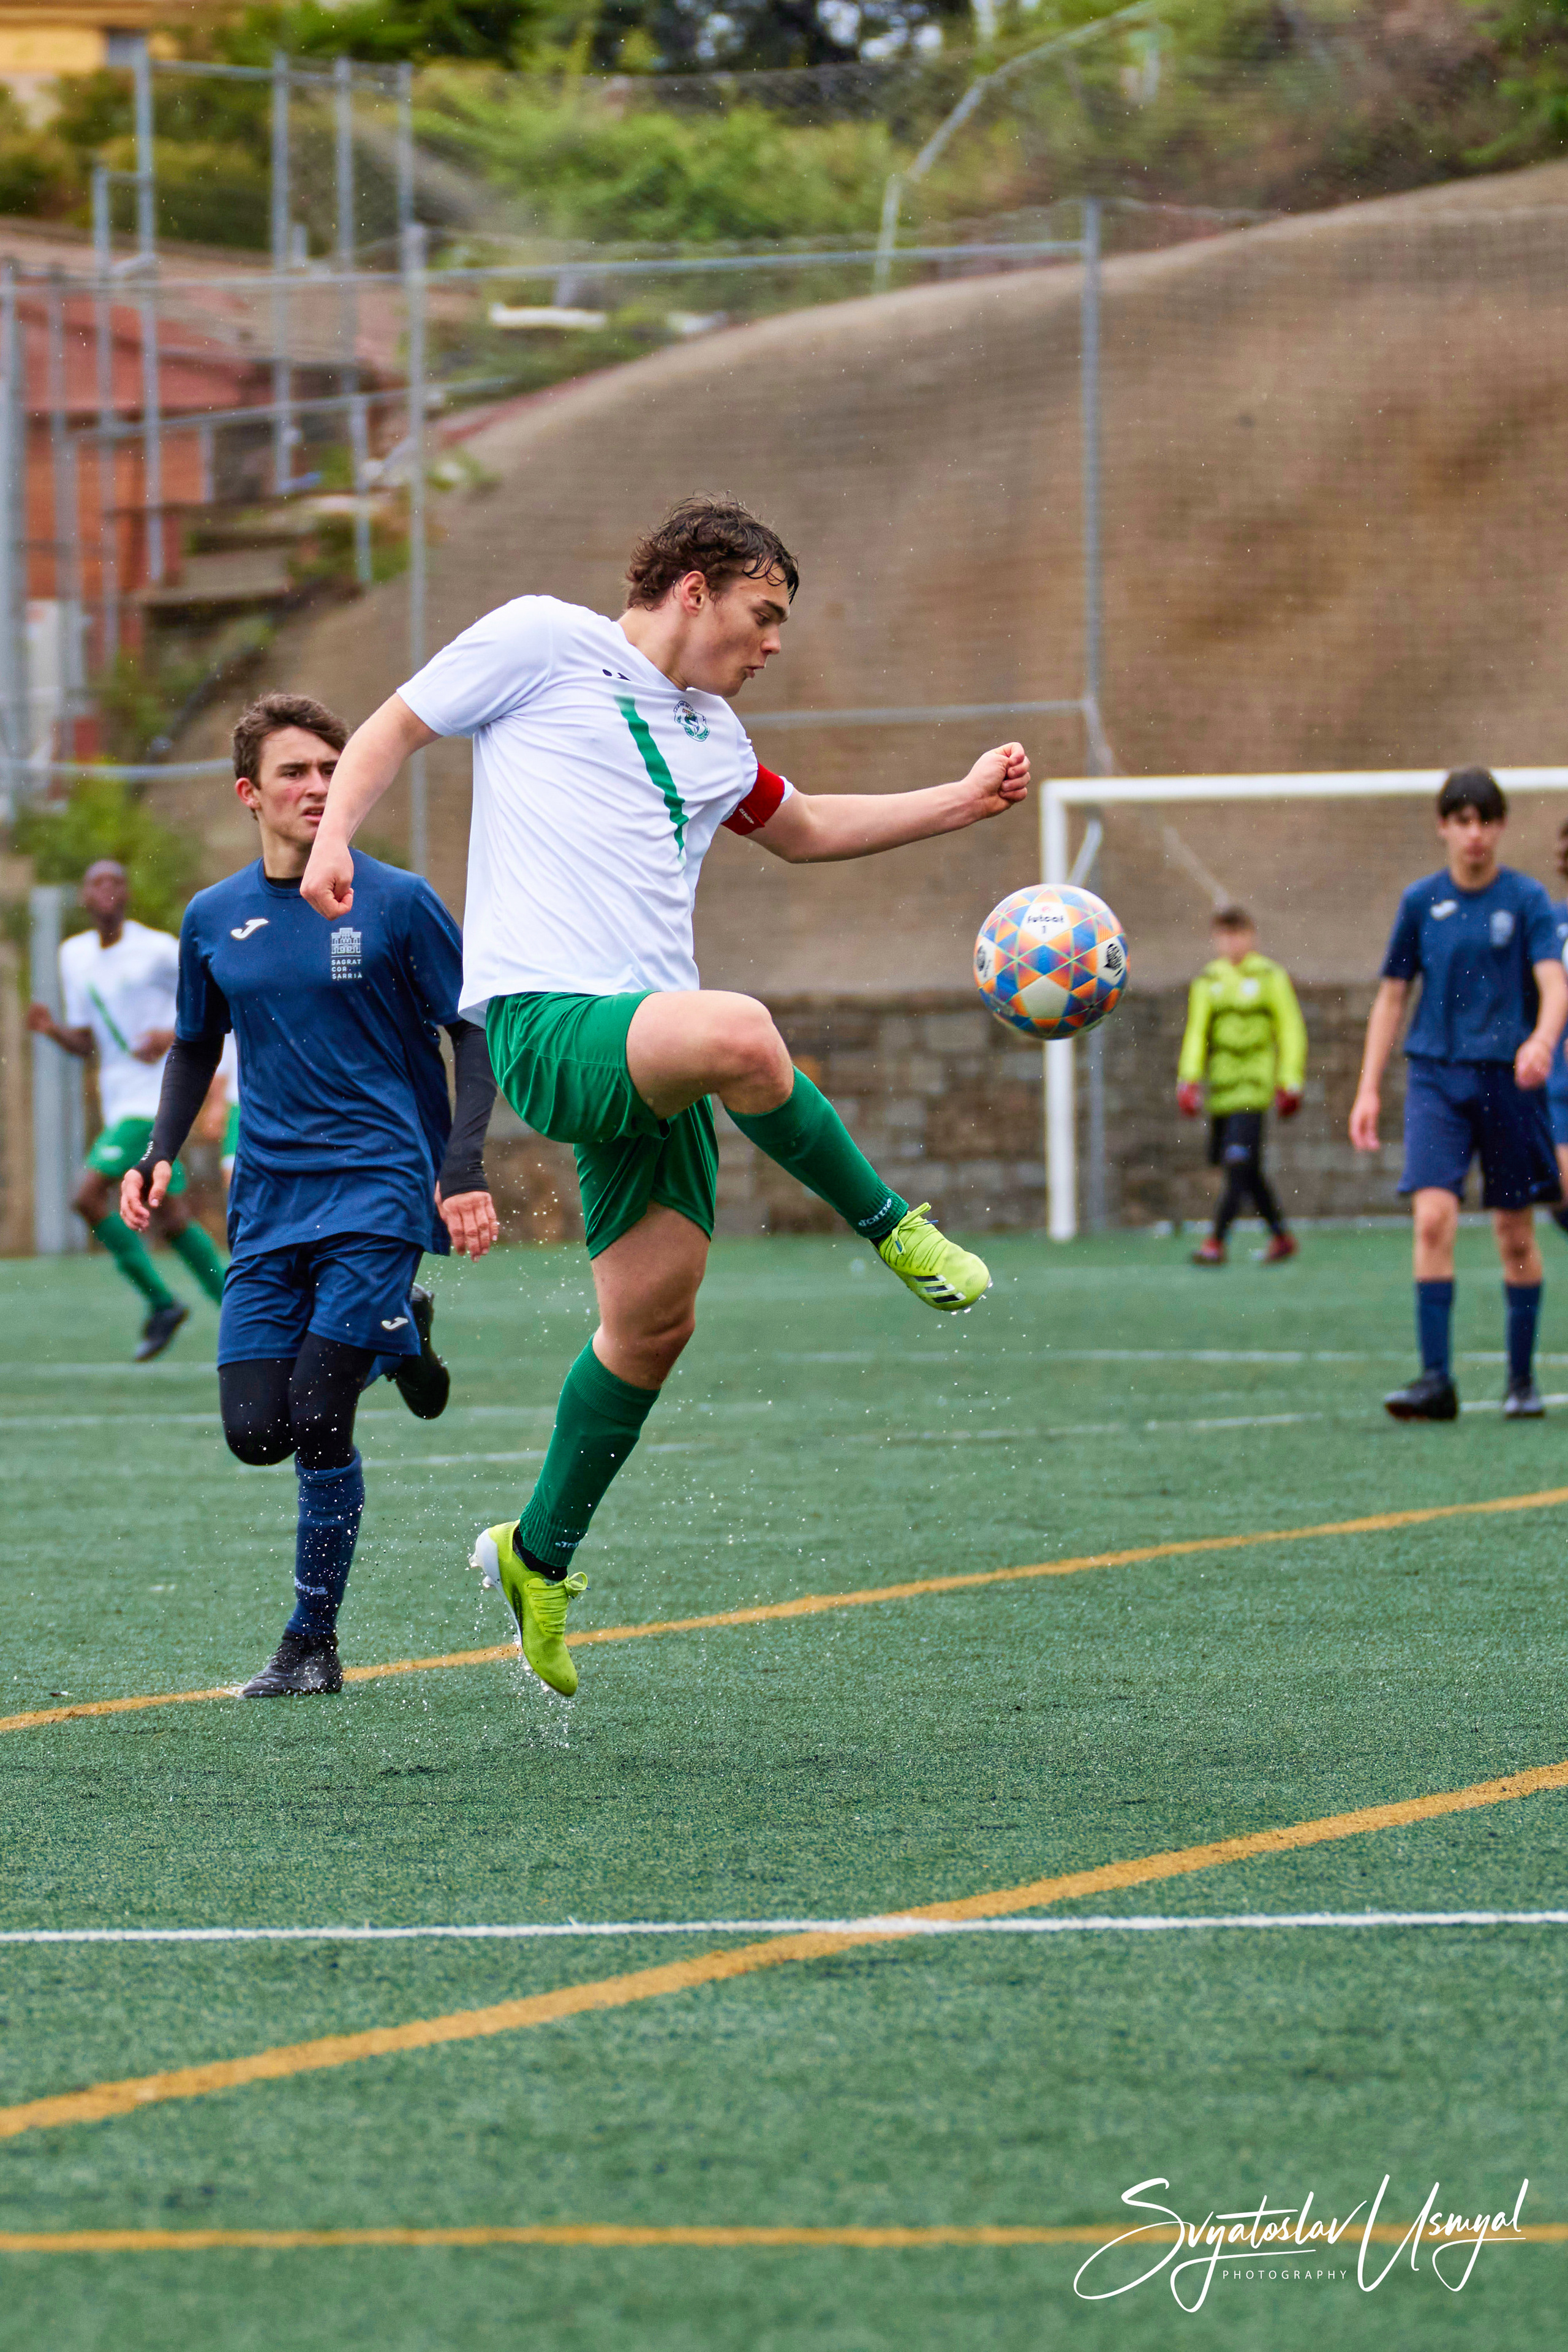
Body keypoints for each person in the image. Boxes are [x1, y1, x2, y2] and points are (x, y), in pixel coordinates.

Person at [297, 493, 1029, 1699]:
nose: (774, 641)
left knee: (652, 1328)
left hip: (650, 1051)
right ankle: (893, 1226)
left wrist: (958, 800)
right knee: (745, 1033)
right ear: (695, 587)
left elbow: (801, 828)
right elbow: (393, 725)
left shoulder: (719, 741)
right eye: (763, 611)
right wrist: (337, 840)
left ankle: (535, 1558)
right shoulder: (543, 639)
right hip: (547, 1024)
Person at [122, 692, 500, 1697]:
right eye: (295, 771)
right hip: (269, 1200)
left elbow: (472, 1030)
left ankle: (310, 1644)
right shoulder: (213, 917)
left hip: (380, 1186)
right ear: (250, 793)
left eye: (332, 769)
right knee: (258, 1430)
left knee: (319, 1408)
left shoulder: (398, 901)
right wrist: (160, 1151)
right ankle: (403, 1339)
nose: (319, 786)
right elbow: (197, 1042)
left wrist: (457, 1171)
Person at [1350, 766, 1567, 1422]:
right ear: (1443, 827)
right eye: (1461, 821)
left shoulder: (1526, 900)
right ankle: (1435, 1381)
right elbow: (1393, 996)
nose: (1473, 834)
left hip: (1508, 1081)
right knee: (1433, 1218)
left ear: (1499, 827)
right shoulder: (1420, 902)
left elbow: (1555, 986)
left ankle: (1521, 1381)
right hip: (1435, 1080)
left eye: (1485, 821)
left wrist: (1540, 1042)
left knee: (1513, 1233)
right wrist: (1367, 1088)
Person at [26, 859, 227, 1360]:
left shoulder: (158, 949)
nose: (108, 889)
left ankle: (162, 1302)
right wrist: (51, 1030)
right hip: (121, 1102)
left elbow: (212, 995)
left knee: (87, 1195)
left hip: (156, 1099)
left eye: (117, 880)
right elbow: (88, 1042)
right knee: (173, 1214)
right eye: (97, 882)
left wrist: (172, 1034)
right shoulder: (74, 956)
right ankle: (242, 1309)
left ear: (128, 893)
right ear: (84, 899)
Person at [1177, 904, 1306, 1267]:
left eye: (1240, 935)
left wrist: (1290, 1081)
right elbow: (1197, 1033)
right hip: (1222, 1091)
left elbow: (1291, 1029)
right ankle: (1281, 1236)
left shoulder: (1270, 977)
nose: (1233, 944)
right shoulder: (1208, 980)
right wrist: (1189, 1080)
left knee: (1238, 1165)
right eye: (1226, 936)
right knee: (1244, 1169)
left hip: (1254, 1090)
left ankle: (1215, 1242)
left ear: (1252, 937)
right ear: (1216, 940)